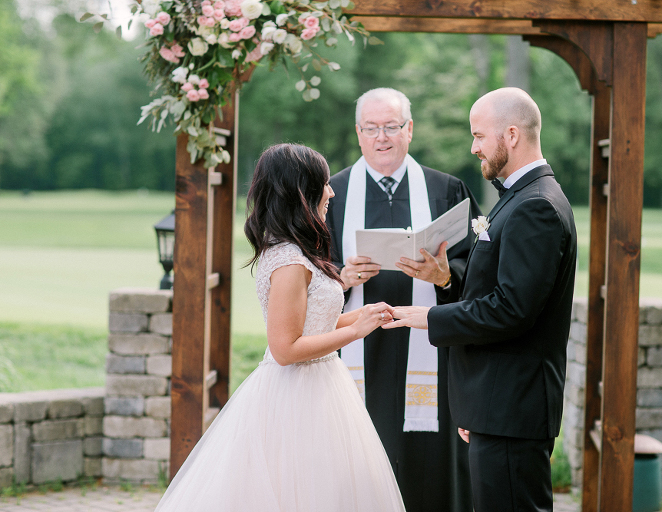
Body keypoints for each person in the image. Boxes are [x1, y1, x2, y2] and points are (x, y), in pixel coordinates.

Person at [154, 144, 405, 512]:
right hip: (295, 395)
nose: (331, 192)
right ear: (302, 192)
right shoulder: (289, 261)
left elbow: (312, 324)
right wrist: (355, 332)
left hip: (323, 386)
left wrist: (361, 316)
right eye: (324, 184)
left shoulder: (301, 251)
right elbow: (286, 349)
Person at [384, 87, 578, 512]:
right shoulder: (520, 197)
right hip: (496, 407)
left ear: (511, 135)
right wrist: (447, 279)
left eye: (478, 136)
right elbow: (498, 291)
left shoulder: (537, 206)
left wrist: (431, 317)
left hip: (511, 408)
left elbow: (512, 310)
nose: (473, 148)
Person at [326, 87, 480, 512]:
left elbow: (479, 270)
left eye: (391, 126)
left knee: (428, 469)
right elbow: (307, 274)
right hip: (358, 348)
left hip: (430, 347)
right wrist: (341, 277)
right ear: (358, 132)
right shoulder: (332, 194)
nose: (382, 137)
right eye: (371, 128)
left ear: (409, 129)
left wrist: (444, 276)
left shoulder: (445, 190)